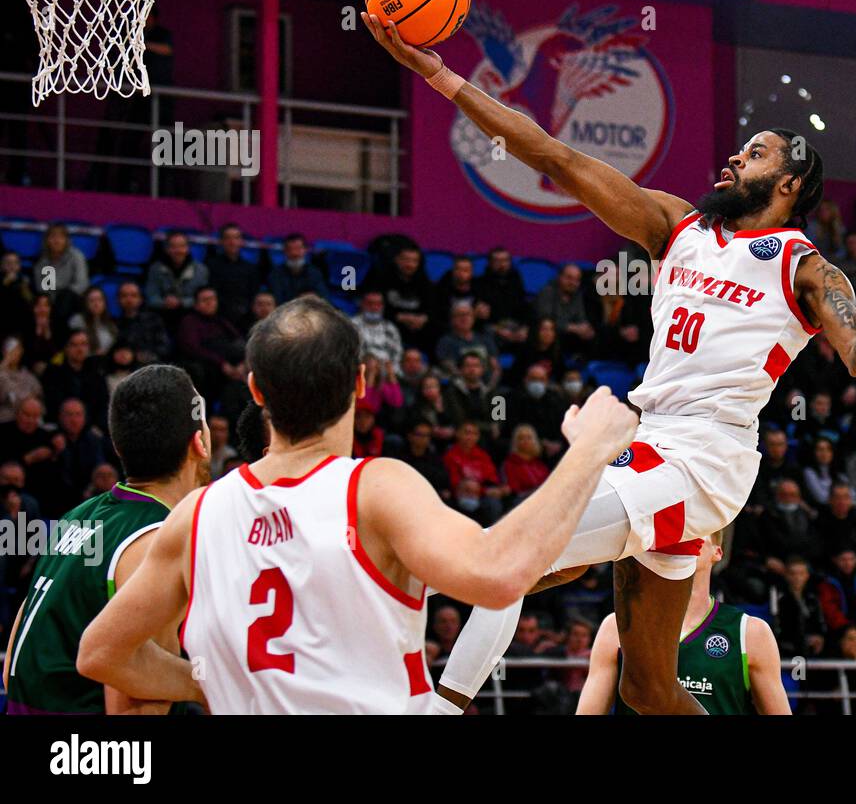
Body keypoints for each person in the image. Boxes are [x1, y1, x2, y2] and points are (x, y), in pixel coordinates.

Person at [364, 11, 856, 715]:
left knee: (500, 562)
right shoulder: (675, 226)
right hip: (652, 451)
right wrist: (438, 75)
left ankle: (437, 709)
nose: (737, 158)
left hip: (703, 459)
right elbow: (558, 158)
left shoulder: (804, 266)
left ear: (790, 185)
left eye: (757, 153)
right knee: (647, 688)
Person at [76, 296, 640, 713]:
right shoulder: (376, 489)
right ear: (362, 383)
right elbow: (497, 575)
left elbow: (100, 653)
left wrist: (203, 680)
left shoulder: (195, 516)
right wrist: (589, 450)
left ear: (254, 390)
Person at [2, 365, 210, 714]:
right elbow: (133, 705)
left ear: (117, 445)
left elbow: (13, 669)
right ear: (199, 443)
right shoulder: (157, 540)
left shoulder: (76, 517)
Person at [577, 533, 790, 715]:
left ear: (717, 551)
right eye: (680, 531)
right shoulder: (616, 627)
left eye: (696, 529)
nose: (685, 535)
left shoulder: (750, 632)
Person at [145, 231, 209, 329]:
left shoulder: (201, 270)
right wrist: (164, 302)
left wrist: (181, 303)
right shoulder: (155, 269)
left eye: (182, 246)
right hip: (161, 314)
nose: (178, 250)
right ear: (167, 249)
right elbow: (151, 296)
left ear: (188, 249)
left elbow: (202, 299)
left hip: (190, 316)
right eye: (173, 247)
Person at [206, 223, 261, 328]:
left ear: (241, 241)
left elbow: (254, 294)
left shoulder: (250, 268)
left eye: (236, 238)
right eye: (228, 238)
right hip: (218, 317)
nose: (232, 242)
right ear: (221, 241)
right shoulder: (211, 266)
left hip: (245, 316)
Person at [267, 234, 327, 305]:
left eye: (298, 249)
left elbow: (323, 296)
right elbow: (277, 298)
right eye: (290, 249)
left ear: (305, 250)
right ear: (285, 251)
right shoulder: (275, 274)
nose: (294, 253)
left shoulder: (314, 273)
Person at [352, 290, 405, 366]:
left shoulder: (390, 328)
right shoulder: (353, 325)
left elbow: (398, 354)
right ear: (362, 304)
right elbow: (351, 353)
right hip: (361, 369)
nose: (374, 307)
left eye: (378, 304)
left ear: (382, 306)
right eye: (370, 304)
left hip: (387, 370)